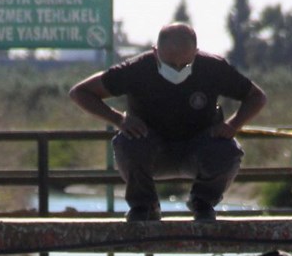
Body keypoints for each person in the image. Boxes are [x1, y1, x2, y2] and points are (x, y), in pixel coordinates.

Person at [68, 22, 267, 222]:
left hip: (199, 148)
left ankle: (203, 202)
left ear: (196, 53)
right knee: (127, 143)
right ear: (156, 52)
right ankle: (145, 206)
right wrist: (118, 119)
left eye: (185, 64)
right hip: (151, 148)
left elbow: (256, 97)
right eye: (171, 64)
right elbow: (80, 92)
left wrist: (232, 125)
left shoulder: (213, 68)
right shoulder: (137, 69)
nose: (178, 69)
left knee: (228, 150)